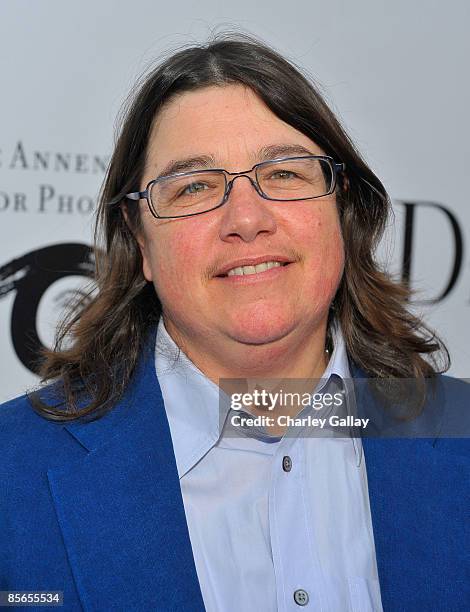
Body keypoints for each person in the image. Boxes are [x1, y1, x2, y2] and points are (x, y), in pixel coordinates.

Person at [1, 32, 468, 612]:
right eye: (194, 186)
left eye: (284, 174)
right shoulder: (11, 472)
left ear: (342, 210)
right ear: (139, 241)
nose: (246, 219)